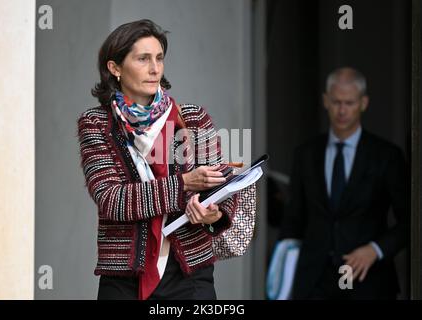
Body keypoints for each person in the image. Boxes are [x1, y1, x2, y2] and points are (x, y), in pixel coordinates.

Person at [77, 19, 249, 300]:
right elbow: (113, 200)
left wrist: (213, 212)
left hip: (189, 275)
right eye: (143, 59)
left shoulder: (193, 118)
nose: (154, 68)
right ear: (115, 68)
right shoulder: (97, 124)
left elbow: (222, 186)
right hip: (124, 279)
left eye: (159, 58)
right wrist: (183, 185)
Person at [279, 67, 409, 299]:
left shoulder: (386, 155)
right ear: (325, 101)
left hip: (368, 281)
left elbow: (410, 221)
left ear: (363, 103)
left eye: (349, 103)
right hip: (314, 282)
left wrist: (375, 250)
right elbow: (294, 219)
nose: (342, 110)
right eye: (336, 102)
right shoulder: (306, 154)